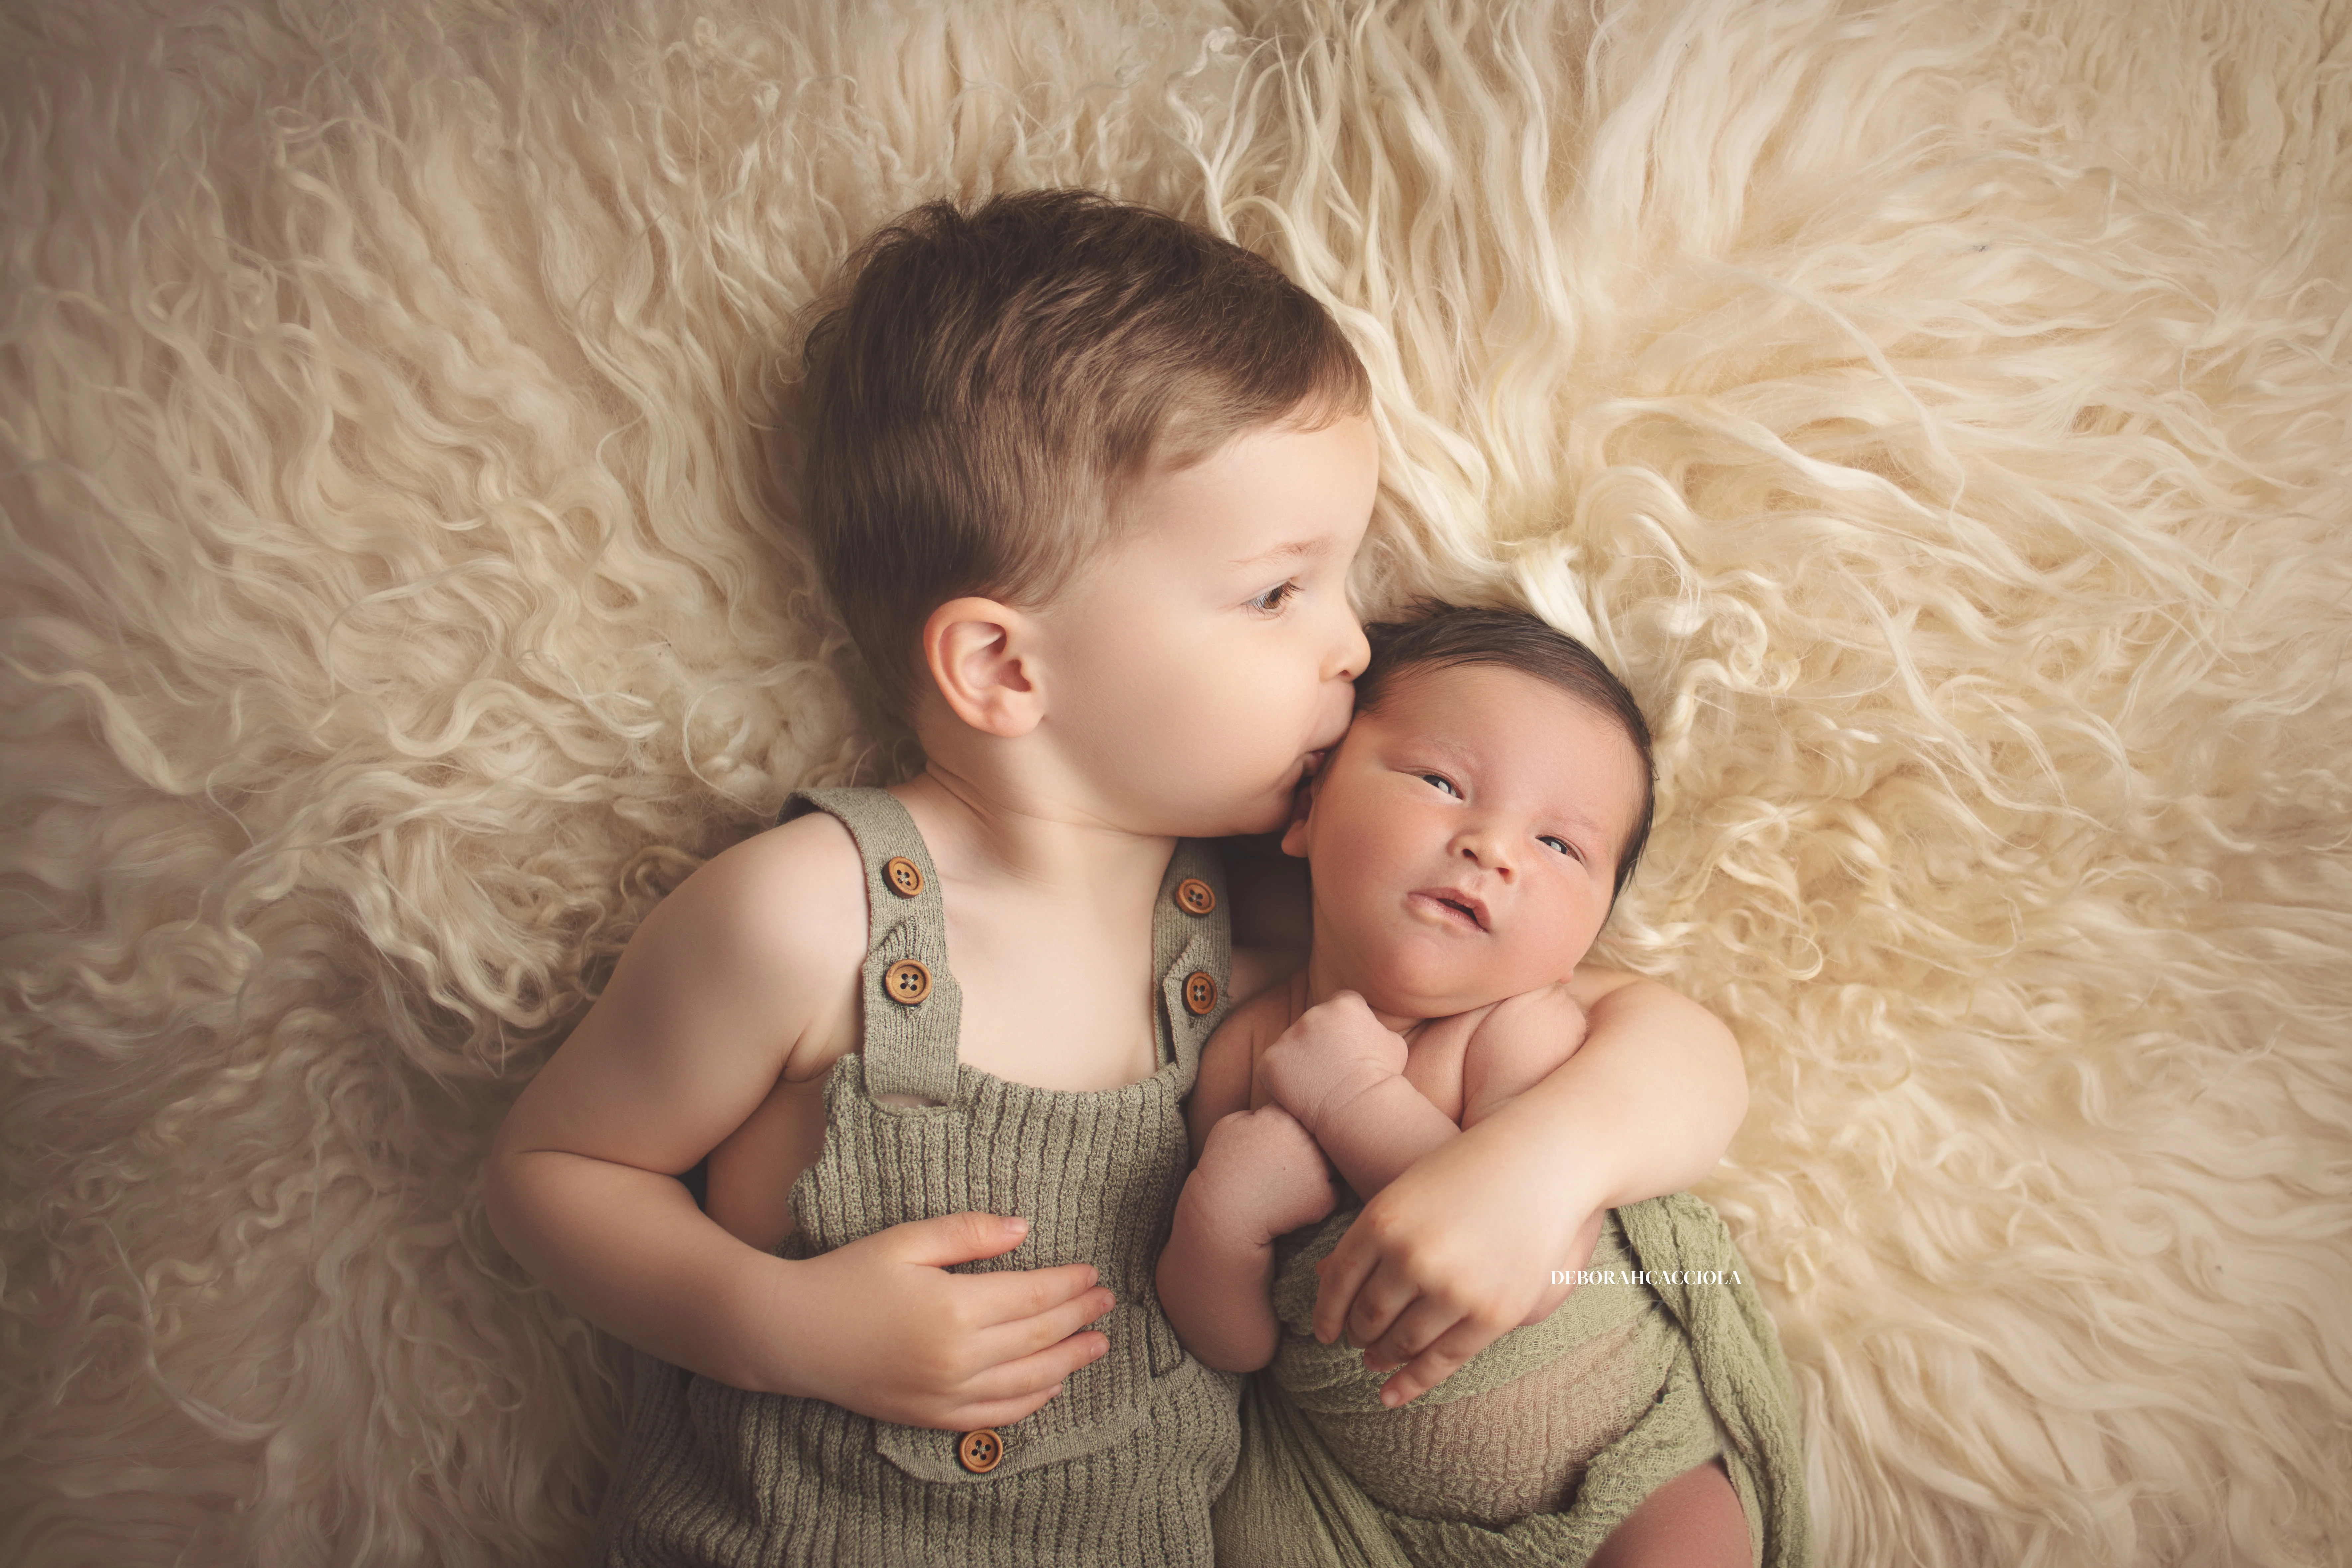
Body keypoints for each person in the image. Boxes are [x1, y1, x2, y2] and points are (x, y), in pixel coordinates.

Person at [483, 190, 1751, 1567]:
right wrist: (784, 1328)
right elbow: (554, 1170)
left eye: (1342, 583)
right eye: (1280, 594)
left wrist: (1535, 1168)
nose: (1350, 650)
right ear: (1005, 668)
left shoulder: (1242, 914)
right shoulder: (807, 914)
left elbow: (1655, 1040)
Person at [1161, 607, 1809, 1567]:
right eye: (1440, 781)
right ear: (1308, 806)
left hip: (1627, 1470)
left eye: (1559, 846)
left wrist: (1356, 1108)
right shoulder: (1236, 1049)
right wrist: (1216, 1225)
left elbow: (1520, 1261)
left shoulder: (1530, 1026)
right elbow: (1235, 1347)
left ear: (1592, 925)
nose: (1493, 846)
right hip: (1366, 1513)